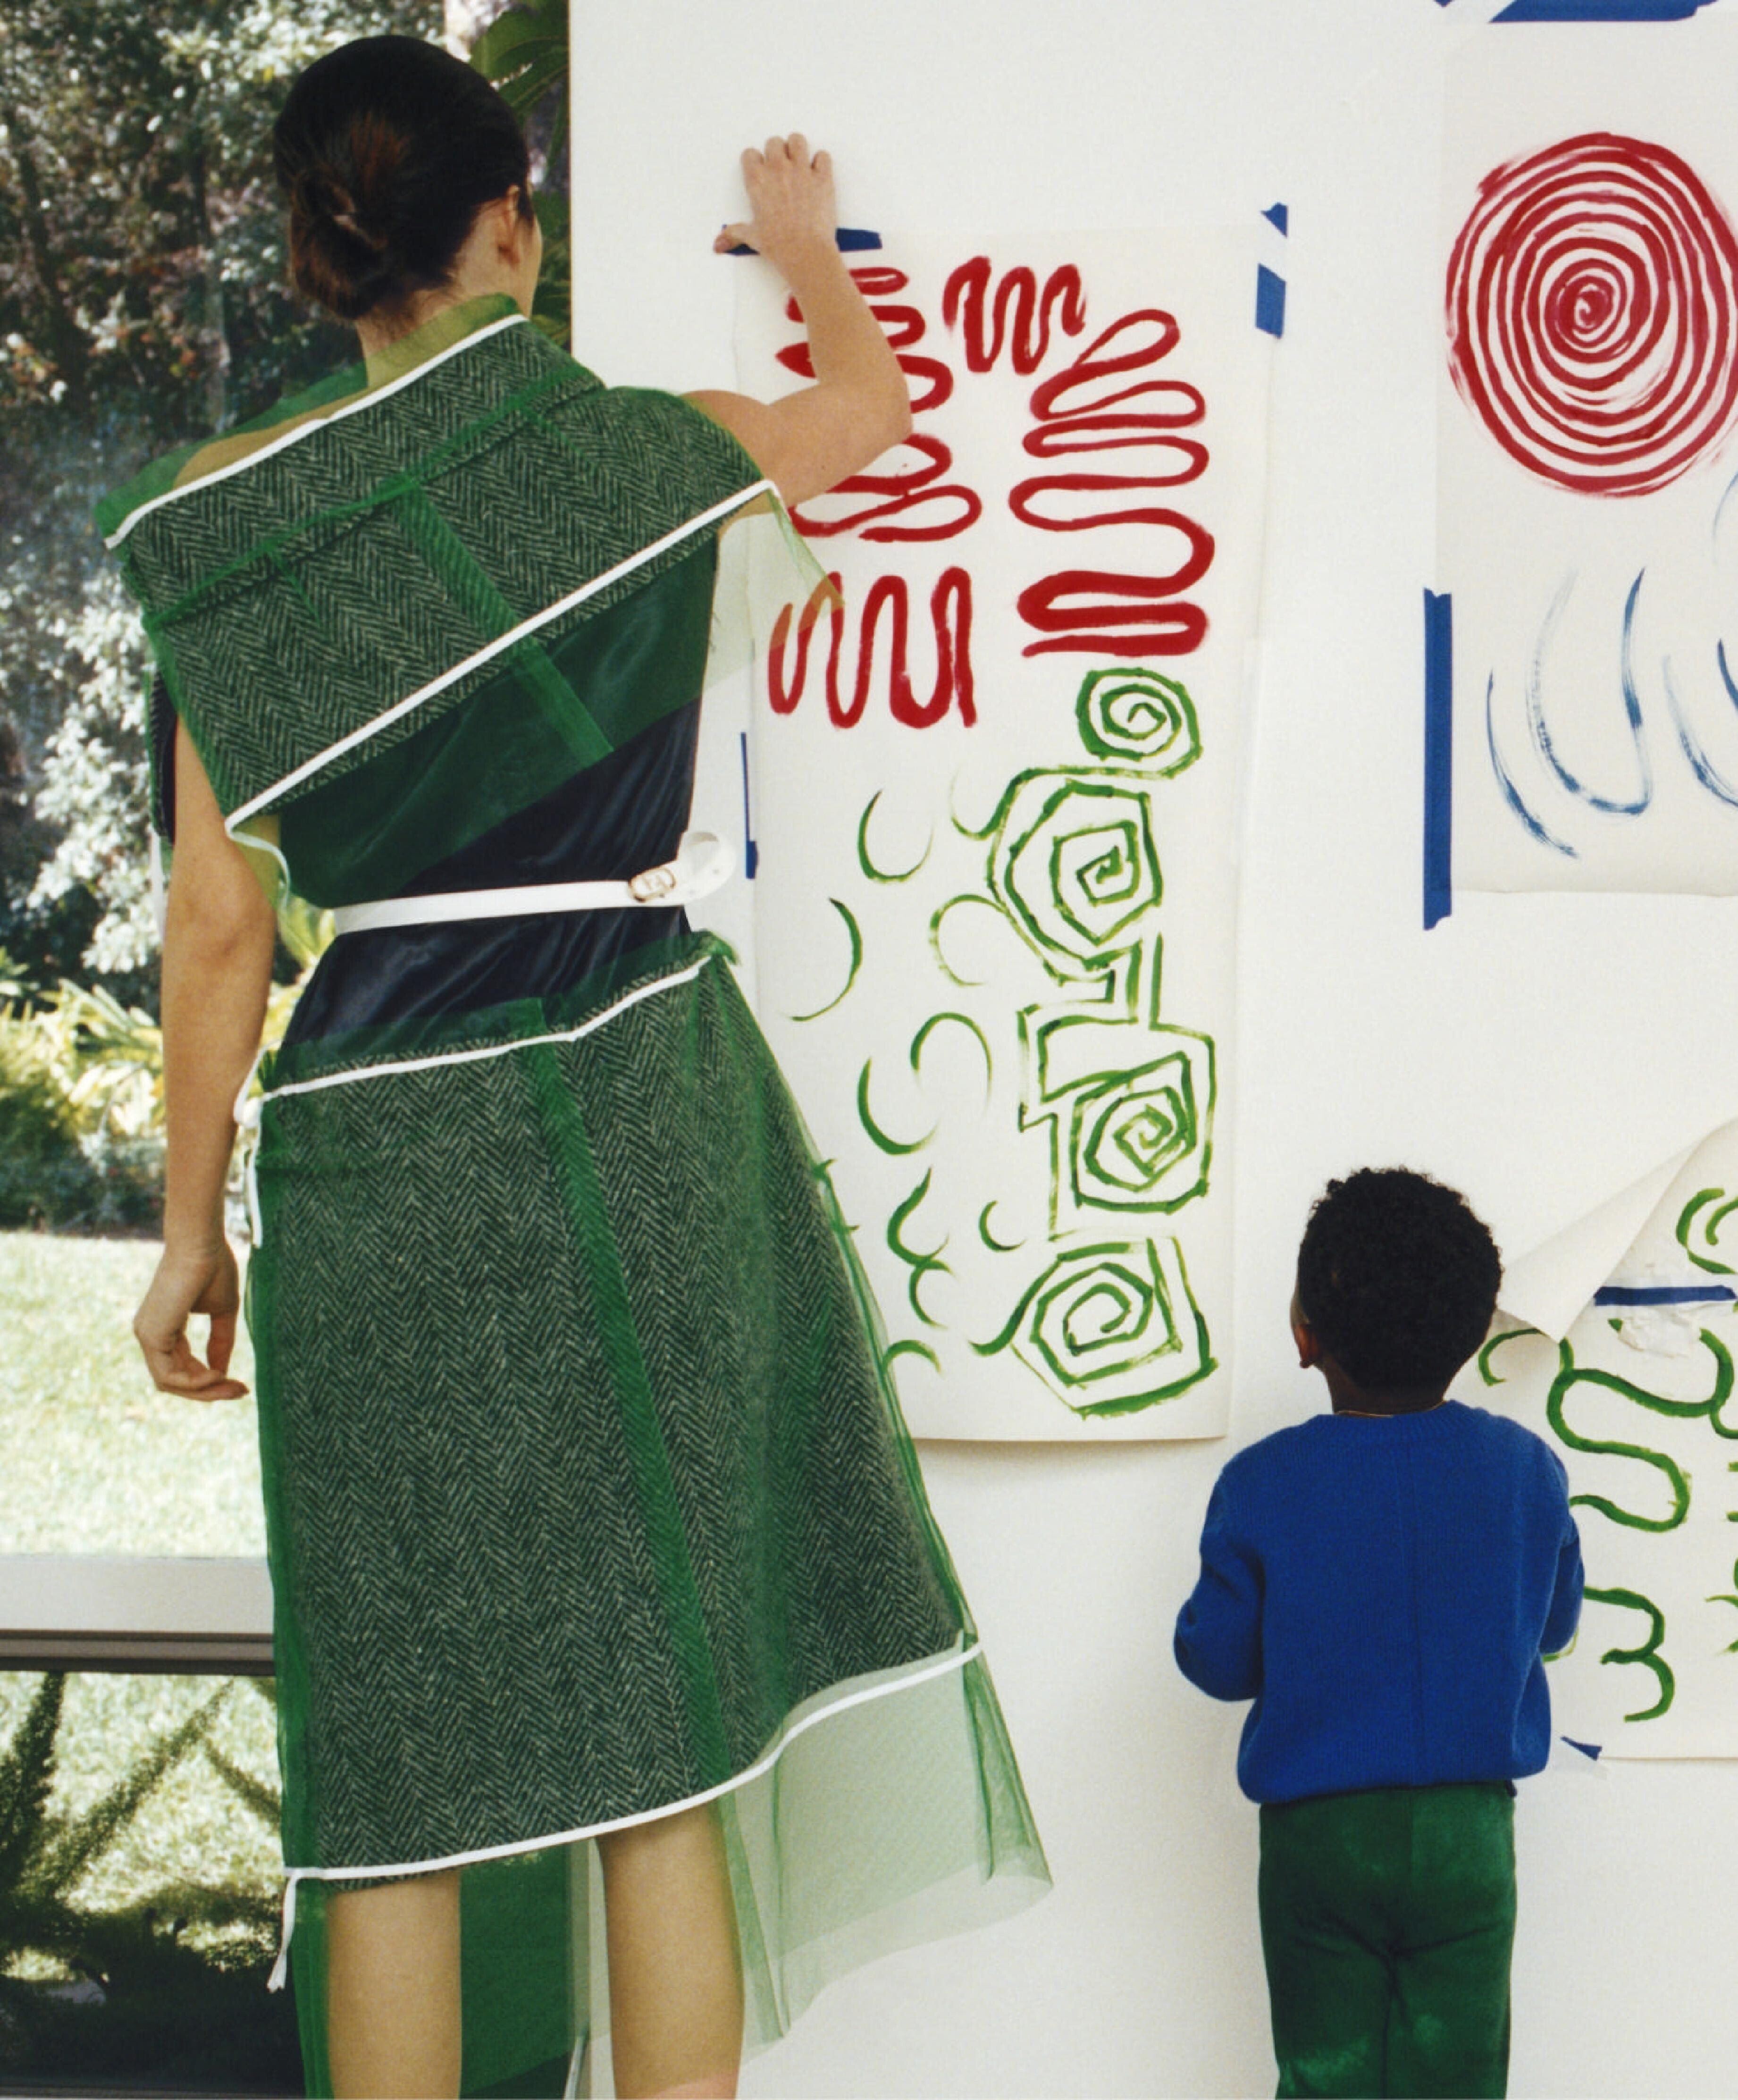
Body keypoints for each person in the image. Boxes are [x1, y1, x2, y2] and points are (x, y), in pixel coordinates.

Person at [101, 36, 1048, 2100]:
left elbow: (218, 924)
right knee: (662, 1735)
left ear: (324, 257)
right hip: (636, 1094)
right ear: (511, 227)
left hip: (374, 1141)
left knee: (399, 1777)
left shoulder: (230, 533)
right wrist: (808, 253)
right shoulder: (645, 453)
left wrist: (188, 1234)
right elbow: (870, 413)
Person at [1174, 1168, 1583, 2100]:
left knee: (1326, 2070)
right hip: (1468, 1835)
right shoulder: (1526, 1469)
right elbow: (1553, 1624)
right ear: (1473, 1332)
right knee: (1461, 2072)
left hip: (1321, 1837)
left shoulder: (1261, 1481)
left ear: (1305, 1332)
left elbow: (1219, 1660)